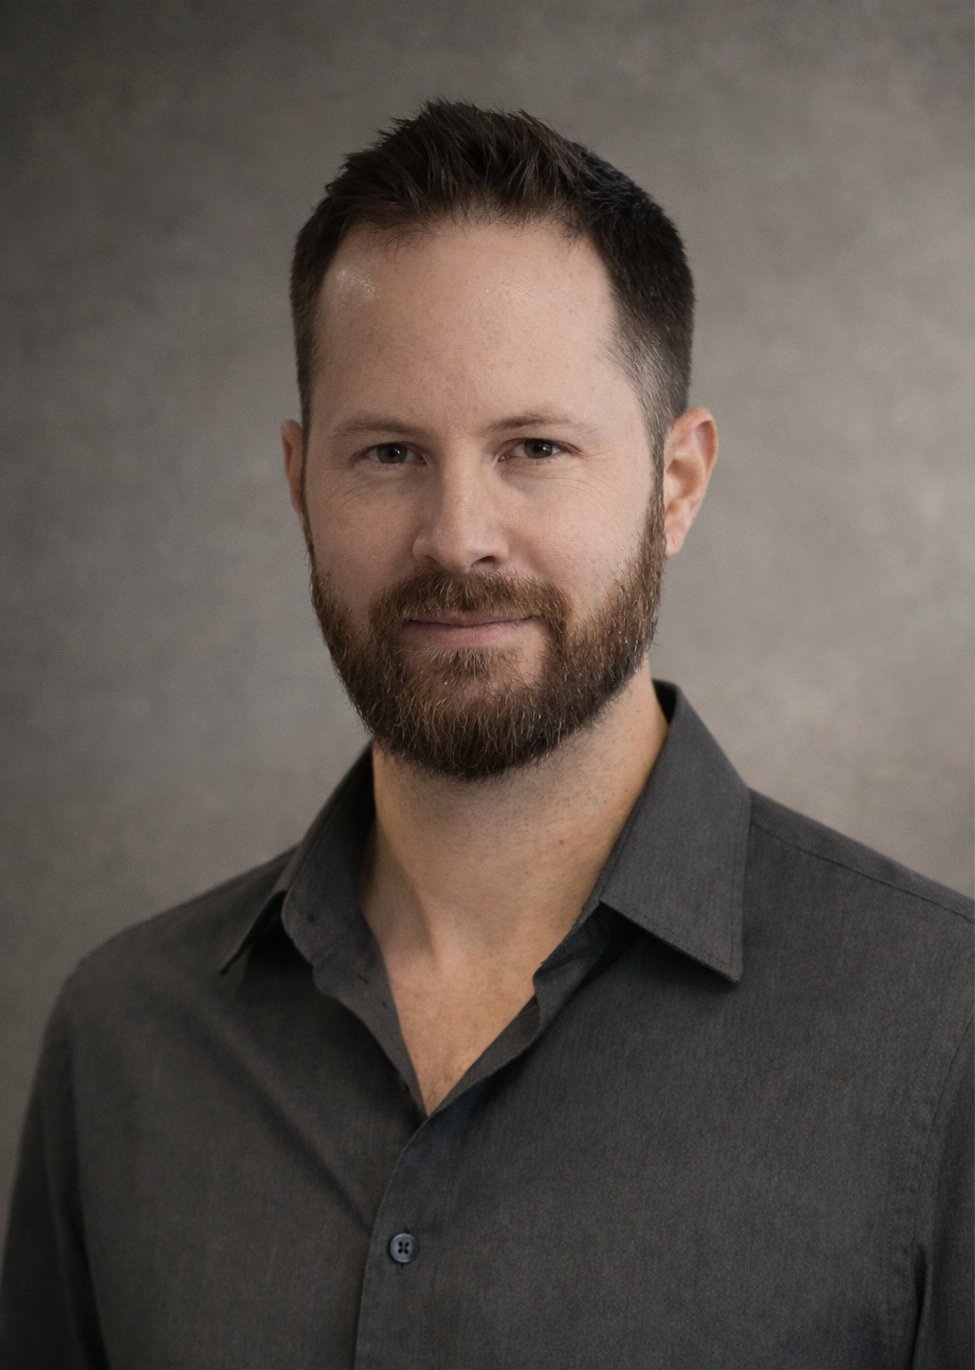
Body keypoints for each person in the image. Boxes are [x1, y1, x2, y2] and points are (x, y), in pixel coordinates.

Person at [1, 99, 970, 1370]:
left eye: (536, 447)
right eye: (390, 452)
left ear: (677, 484)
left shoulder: (939, 1029)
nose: (458, 535)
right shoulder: (126, 1038)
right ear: (300, 482)